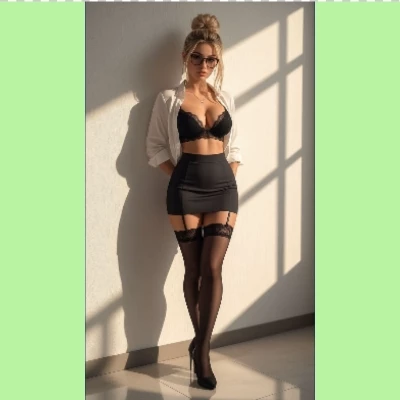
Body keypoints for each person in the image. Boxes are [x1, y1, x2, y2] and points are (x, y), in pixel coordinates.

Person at [146, 13, 243, 390]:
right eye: (198, 57)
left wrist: (228, 175)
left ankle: (201, 350)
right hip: (185, 189)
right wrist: (181, 177)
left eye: (212, 59)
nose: (205, 65)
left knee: (213, 268)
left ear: (218, 61)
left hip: (224, 189)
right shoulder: (169, 99)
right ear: (185, 57)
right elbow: (155, 147)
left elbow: (235, 147)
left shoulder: (225, 98)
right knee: (194, 271)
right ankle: (200, 347)